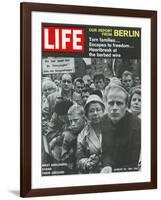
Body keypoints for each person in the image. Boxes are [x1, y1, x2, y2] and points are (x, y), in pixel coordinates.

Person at [101, 84, 141, 173]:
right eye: (111, 103)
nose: (114, 108)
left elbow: (134, 161)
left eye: (119, 103)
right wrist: (107, 165)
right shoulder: (104, 121)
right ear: (106, 104)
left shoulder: (137, 125)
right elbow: (106, 151)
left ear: (127, 105)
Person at [77, 95, 105, 173]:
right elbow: (79, 159)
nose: (95, 113)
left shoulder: (112, 128)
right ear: (87, 115)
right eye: (91, 111)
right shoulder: (83, 135)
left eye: (98, 110)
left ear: (103, 111)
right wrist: (86, 162)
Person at [61, 105, 86, 174]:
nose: (72, 124)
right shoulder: (69, 135)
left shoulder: (90, 131)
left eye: (75, 120)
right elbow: (64, 157)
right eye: (70, 121)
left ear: (83, 118)